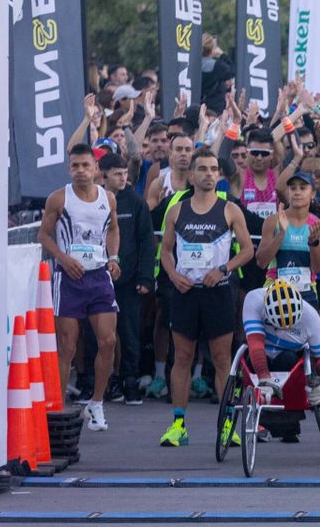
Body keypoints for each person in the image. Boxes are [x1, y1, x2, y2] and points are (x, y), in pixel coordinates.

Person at [158, 148, 254, 447]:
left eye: (214, 169)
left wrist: (224, 268)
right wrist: (173, 275)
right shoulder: (177, 210)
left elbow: (248, 250)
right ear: (192, 175)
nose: (209, 174)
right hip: (186, 293)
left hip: (217, 293)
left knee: (222, 359)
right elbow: (165, 251)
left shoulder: (229, 209)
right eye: (203, 169)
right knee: (183, 358)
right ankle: (178, 424)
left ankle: (227, 425)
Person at [39, 144, 122, 431]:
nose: (80, 171)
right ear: (68, 168)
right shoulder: (58, 198)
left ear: (96, 169)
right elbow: (44, 235)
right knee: (67, 347)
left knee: (108, 341)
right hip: (69, 278)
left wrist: (113, 257)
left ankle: (96, 404)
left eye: (86, 165)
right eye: (75, 166)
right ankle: (59, 411)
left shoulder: (107, 198)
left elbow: (113, 229)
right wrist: (63, 258)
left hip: (99, 276)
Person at [236, 281, 320, 444]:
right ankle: (261, 419)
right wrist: (264, 376)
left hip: (289, 358)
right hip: (261, 353)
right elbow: (255, 343)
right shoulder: (253, 300)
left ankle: (289, 423)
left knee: (288, 359)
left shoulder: (310, 316)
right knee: (251, 362)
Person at [98, 152, 156, 407]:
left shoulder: (135, 202)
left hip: (129, 281)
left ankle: (130, 381)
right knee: (99, 335)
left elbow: (147, 241)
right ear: (104, 175)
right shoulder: (94, 200)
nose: (123, 178)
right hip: (97, 280)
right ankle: (98, 381)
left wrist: (145, 277)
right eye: (117, 174)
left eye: (125, 173)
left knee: (130, 333)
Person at [256, 171, 320, 308]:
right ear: (288, 192)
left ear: (312, 194)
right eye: (293, 188)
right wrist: (281, 234)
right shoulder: (272, 221)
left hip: (306, 292)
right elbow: (261, 262)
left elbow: (318, 268)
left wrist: (313, 243)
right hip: (274, 290)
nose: (297, 192)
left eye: (302, 188)